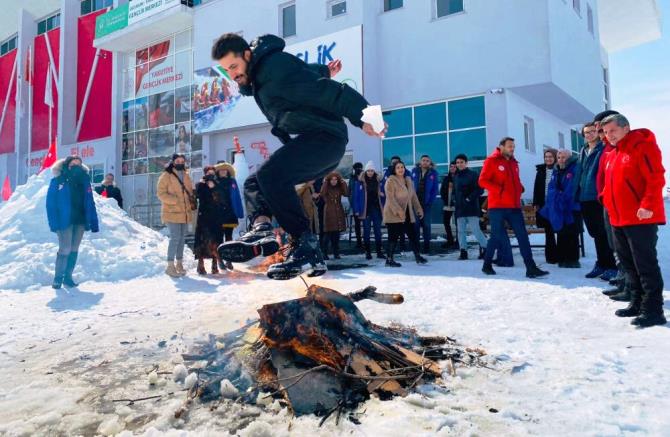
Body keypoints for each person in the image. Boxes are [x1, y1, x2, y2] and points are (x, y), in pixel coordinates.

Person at [212, 33, 386, 280]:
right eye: (226, 71)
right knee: (255, 182)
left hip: (325, 138)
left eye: (234, 67)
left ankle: (306, 247)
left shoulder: (274, 68)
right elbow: (304, 72)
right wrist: (324, 69)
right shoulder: (263, 76)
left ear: (248, 56)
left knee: (271, 176)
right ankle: (262, 228)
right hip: (315, 140)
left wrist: (366, 116)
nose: (233, 75)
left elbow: (327, 91)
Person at [600, 114, 666, 328]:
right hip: (618, 219)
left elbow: (656, 178)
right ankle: (637, 302)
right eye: (606, 132)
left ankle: (654, 310)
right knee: (628, 264)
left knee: (645, 264)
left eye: (613, 131)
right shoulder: (613, 153)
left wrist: (647, 205)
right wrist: (606, 200)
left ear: (626, 128)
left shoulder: (642, 147)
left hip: (640, 218)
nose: (609, 136)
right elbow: (609, 185)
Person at [479, 137, 549, 278]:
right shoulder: (491, 161)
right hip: (497, 207)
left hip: (514, 206)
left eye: (513, 146)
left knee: (523, 236)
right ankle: (487, 265)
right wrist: (499, 190)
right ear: (501, 146)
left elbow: (514, 180)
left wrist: (519, 188)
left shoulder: (514, 163)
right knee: (495, 237)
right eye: (510, 146)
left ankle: (531, 267)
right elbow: (482, 181)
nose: (512, 149)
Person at [46, 156, 100, 289]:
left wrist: (94, 222)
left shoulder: (85, 181)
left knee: (74, 249)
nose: (76, 166)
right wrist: (53, 224)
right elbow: (50, 204)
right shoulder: (58, 180)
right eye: (72, 164)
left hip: (80, 220)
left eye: (78, 164)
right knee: (65, 249)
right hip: (65, 221)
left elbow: (90, 202)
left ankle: (68, 278)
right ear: (66, 165)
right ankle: (58, 278)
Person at [577, 121, 618, 281]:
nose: (589, 135)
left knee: (604, 233)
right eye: (586, 132)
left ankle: (611, 266)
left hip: (598, 197)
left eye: (592, 131)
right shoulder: (583, 150)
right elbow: (580, 174)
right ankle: (601, 263)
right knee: (595, 234)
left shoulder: (603, 149)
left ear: (598, 132)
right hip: (584, 198)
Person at [540, 150, 581, 268]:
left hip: (572, 207)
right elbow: (551, 188)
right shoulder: (556, 170)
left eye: (563, 157)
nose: (561, 159)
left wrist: (559, 195)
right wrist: (556, 196)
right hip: (559, 207)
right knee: (561, 233)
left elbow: (571, 188)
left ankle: (572, 260)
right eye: (559, 157)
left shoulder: (574, 168)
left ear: (569, 158)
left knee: (572, 234)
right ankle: (562, 259)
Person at [383, 161, 427, 267]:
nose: (400, 169)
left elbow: (413, 196)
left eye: (402, 167)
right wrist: (398, 211)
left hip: (407, 212)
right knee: (393, 237)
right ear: (394, 170)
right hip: (393, 213)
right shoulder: (390, 181)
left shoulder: (408, 180)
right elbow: (390, 198)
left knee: (412, 235)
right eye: (398, 167)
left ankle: (417, 256)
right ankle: (389, 260)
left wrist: (418, 209)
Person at [157, 154, 195, 278]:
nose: (180, 162)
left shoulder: (187, 175)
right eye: (178, 161)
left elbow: (190, 191)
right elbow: (160, 193)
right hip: (171, 212)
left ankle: (179, 264)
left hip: (184, 212)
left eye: (182, 161)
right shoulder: (166, 176)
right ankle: (170, 266)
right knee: (175, 238)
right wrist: (174, 200)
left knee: (182, 239)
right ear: (173, 162)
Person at [453, 154, 487, 260]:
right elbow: (455, 191)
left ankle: (486, 249)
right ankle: (463, 252)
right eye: (457, 162)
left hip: (471, 208)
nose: (459, 164)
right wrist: (455, 199)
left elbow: (480, 189)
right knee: (461, 231)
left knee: (475, 230)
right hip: (460, 209)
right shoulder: (456, 176)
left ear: (466, 163)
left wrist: (469, 198)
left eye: (461, 162)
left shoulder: (473, 174)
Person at [353, 161, 385, 260]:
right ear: (365, 171)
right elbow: (356, 197)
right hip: (365, 210)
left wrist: (382, 194)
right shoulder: (360, 182)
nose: (370, 172)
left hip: (376, 209)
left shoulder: (379, 181)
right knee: (366, 231)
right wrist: (357, 209)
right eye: (368, 170)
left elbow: (385, 192)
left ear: (374, 171)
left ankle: (379, 252)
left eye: (372, 170)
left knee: (377, 231)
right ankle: (368, 252)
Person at [532, 149, 558, 264]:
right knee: (549, 232)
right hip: (544, 205)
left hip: (557, 205)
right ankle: (551, 257)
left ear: (555, 157)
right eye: (546, 157)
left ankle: (562, 254)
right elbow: (536, 188)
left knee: (560, 230)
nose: (548, 159)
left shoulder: (559, 169)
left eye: (551, 156)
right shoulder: (541, 171)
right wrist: (536, 203)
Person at [411, 155, 439, 254]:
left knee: (426, 225)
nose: (425, 162)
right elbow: (410, 185)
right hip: (415, 203)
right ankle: (417, 247)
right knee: (416, 225)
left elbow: (435, 189)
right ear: (420, 161)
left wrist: (430, 201)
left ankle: (427, 246)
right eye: (423, 160)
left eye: (427, 161)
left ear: (430, 162)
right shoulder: (414, 171)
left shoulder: (433, 173)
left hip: (426, 204)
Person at [320, 172, 348, 260]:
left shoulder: (339, 186)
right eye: (332, 179)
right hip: (329, 211)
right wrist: (325, 181)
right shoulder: (326, 186)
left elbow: (346, 193)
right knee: (327, 233)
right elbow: (322, 193)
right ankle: (324, 253)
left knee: (336, 234)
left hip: (338, 210)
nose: (334, 181)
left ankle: (336, 252)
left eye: (336, 179)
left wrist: (343, 182)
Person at [439, 162, 457, 249]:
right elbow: (442, 191)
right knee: (446, 222)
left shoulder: (459, 177)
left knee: (458, 224)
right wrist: (446, 200)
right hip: (447, 204)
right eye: (451, 167)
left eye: (454, 167)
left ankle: (459, 241)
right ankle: (450, 240)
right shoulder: (446, 179)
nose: (453, 168)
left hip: (458, 204)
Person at [348, 162, 364, 250]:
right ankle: (359, 242)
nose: (358, 170)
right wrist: (351, 202)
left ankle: (366, 241)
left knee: (365, 224)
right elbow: (349, 191)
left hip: (364, 205)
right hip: (354, 205)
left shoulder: (364, 177)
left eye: (359, 168)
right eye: (356, 168)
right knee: (357, 225)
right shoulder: (352, 178)